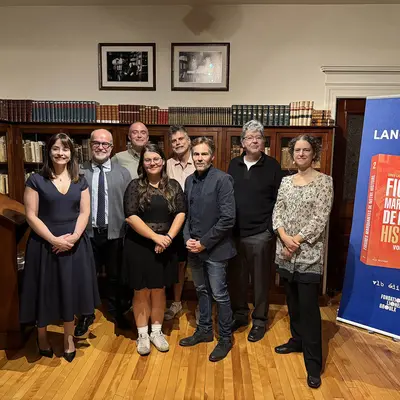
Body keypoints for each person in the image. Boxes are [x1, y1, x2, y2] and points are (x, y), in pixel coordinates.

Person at [20, 133, 100, 362]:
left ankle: (68, 338)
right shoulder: (35, 179)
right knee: (44, 290)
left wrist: (73, 237)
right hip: (44, 245)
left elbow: (85, 212)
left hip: (75, 245)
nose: (60, 153)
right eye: (56, 148)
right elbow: (31, 216)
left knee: (70, 291)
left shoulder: (80, 180)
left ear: (71, 153)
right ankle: (42, 335)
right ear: (49, 151)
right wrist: (54, 240)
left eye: (65, 149)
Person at [272, 135, 333, 389]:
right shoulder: (286, 182)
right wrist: (284, 236)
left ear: (313, 153)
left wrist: (295, 239)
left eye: (306, 150)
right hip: (285, 254)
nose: (301, 154)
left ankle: (313, 362)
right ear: (292, 153)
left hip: (308, 255)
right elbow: (278, 211)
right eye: (297, 150)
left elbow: (320, 218)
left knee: (309, 309)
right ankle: (296, 340)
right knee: (293, 303)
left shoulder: (324, 182)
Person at [123, 143, 186, 355]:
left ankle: (156, 331)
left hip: (166, 245)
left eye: (156, 159)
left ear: (163, 161)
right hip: (139, 245)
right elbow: (131, 216)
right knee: (141, 290)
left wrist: (167, 238)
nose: (152, 163)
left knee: (159, 290)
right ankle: (142, 334)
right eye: (148, 159)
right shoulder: (134, 186)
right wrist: (155, 238)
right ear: (142, 163)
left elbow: (181, 213)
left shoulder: (174, 186)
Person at [179, 137, 236, 362]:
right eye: (196, 154)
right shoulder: (189, 181)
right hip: (193, 248)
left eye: (204, 154)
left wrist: (204, 242)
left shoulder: (223, 180)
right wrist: (186, 239)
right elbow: (185, 215)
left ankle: (224, 338)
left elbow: (227, 219)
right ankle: (204, 331)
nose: (199, 158)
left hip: (216, 249)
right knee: (201, 291)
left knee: (220, 295)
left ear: (212, 156)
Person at [228, 119, 282, 342]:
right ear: (242, 142)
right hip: (234, 233)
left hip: (260, 233)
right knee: (237, 279)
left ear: (263, 142)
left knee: (260, 281)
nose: (254, 141)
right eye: (249, 137)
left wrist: (270, 230)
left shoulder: (273, 166)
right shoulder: (233, 164)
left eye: (258, 137)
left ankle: (259, 320)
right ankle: (240, 315)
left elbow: (280, 201)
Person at [77, 129, 132, 335]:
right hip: (87, 234)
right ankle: (85, 314)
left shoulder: (123, 173)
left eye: (105, 144)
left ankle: (117, 312)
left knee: (115, 276)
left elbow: (129, 205)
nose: (101, 147)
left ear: (111, 148)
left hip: (115, 233)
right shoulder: (79, 171)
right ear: (90, 145)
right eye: (97, 143)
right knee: (86, 275)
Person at [164, 125, 196, 321]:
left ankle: (203, 305)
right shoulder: (166, 164)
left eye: (181, 139)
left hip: (196, 221)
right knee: (178, 264)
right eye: (174, 141)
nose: (177, 143)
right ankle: (175, 303)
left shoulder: (200, 161)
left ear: (188, 140)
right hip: (173, 222)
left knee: (200, 264)